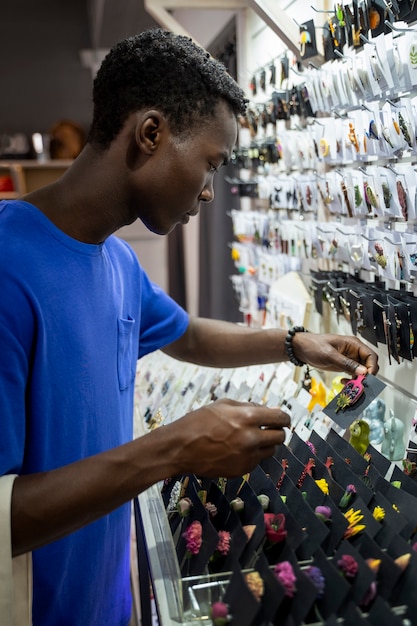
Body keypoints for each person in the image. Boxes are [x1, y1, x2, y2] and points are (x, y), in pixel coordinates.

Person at [0, 28, 378, 626]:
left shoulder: (117, 261)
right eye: (211, 164)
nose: (207, 192)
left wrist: (294, 344)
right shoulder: (6, 267)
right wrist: (174, 447)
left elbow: (188, 335)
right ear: (151, 133)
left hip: (109, 601)